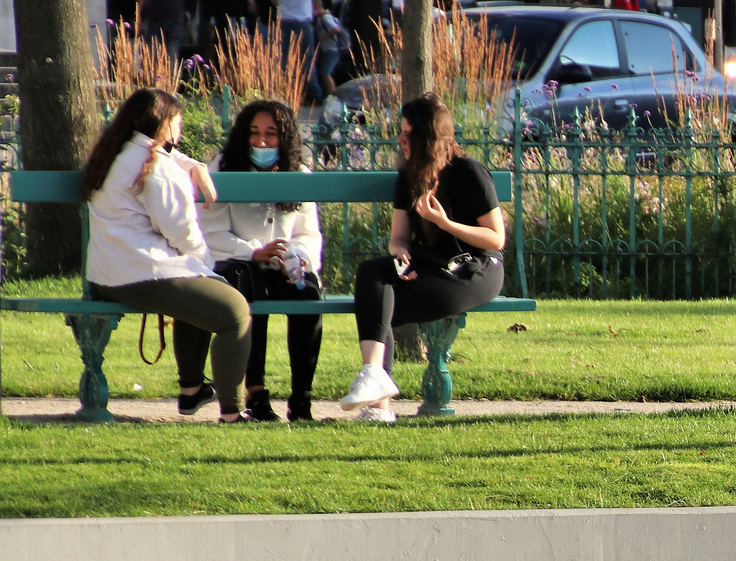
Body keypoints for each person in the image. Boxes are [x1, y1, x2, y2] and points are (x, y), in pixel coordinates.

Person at [82, 89, 255, 423]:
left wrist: (193, 164)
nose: (180, 128)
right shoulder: (157, 168)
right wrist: (205, 263)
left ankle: (193, 391)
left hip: (107, 275)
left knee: (203, 291)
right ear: (164, 124)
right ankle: (233, 413)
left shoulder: (112, 154)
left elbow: (162, 160)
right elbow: (183, 233)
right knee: (234, 312)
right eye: (177, 120)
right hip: (145, 273)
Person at [341, 94, 506, 422]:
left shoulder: (468, 172)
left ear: (429, 138)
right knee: (374, 274)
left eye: (408, 133)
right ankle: (375, 382)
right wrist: (401, 256)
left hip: (476, 265)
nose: (400, 139)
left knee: (380, 304)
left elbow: (496, 238)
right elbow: (398, 238)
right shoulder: (409, 176)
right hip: (432, 262)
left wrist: (445, 223)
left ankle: (378, 403)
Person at [173, 99, 324, 422]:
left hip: (285, 265)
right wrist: (254, 252)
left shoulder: (299, 174)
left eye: (271, 134)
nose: (262, 142)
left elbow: (309, 234)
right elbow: (211, 234)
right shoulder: (221, 168)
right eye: (254, 133)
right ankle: (257, 396)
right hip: (240, 264)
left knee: (308, 296)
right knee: (247, 292)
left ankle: (302, 400)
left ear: (286, 138)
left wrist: (296, 258)